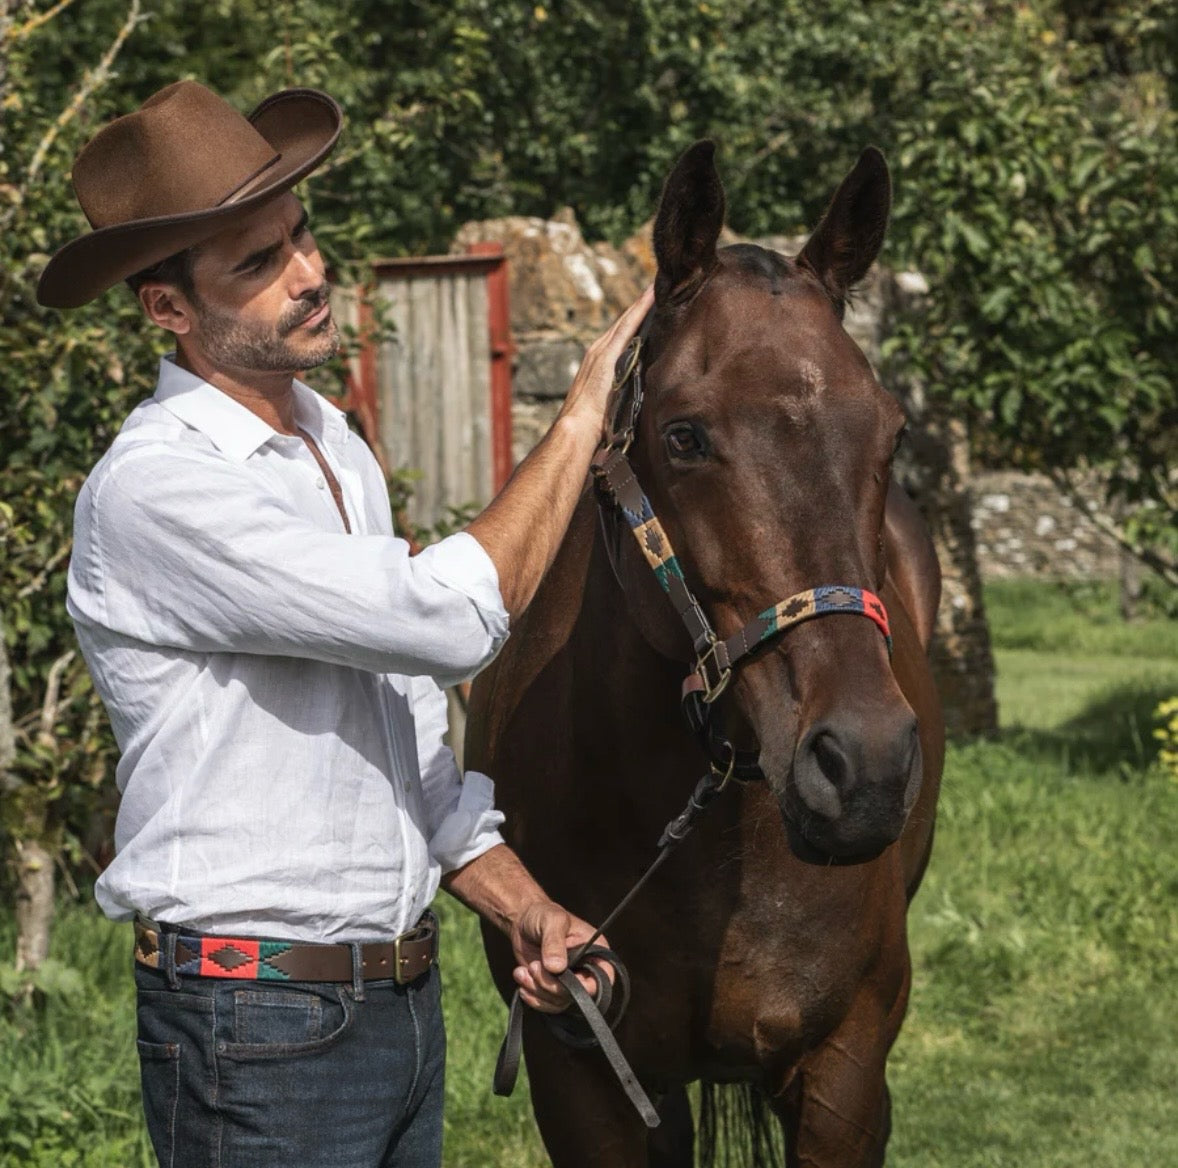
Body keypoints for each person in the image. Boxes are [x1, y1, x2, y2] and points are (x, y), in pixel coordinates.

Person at [37, 79, 653, 1168]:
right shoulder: (157, 491)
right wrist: (581, 420)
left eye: (300, 236)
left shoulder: (334, 445)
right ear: (166, 309)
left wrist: (526, 907)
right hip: (253, 1026)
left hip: (394, 1007)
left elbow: (406, 746)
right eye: (255, 264)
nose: (309, 275)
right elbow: (451, 619)